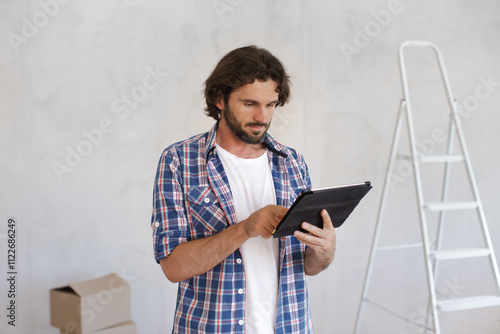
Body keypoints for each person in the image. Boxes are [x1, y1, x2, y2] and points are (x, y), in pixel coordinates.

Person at [151, 45, 336, 334]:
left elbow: (308, 266)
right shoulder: (179, 161)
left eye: (271, 104)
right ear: (219, 99)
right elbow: (173, 267)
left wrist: (324, 252)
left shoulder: (293, 163)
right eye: (249, 103)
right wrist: (245, 229)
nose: (262, 116)